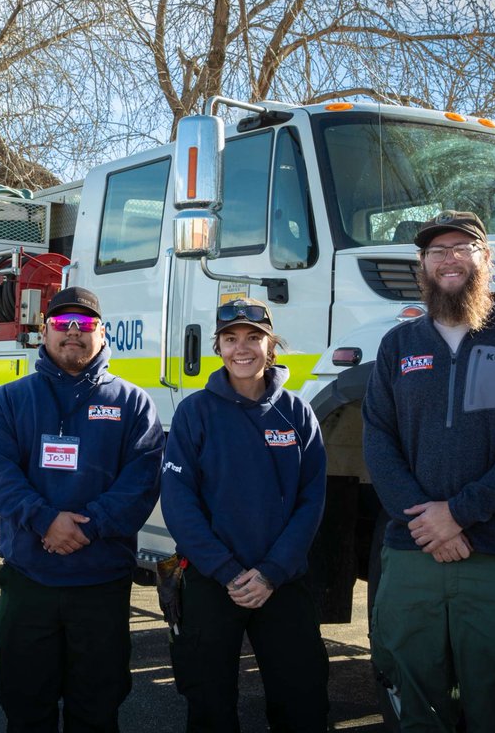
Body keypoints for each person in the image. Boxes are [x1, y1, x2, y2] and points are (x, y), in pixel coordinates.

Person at [362, 210, 495, 732]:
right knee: (414, 699)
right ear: (423, 267)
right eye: (436, 252)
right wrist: (425, 522)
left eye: (461, 248)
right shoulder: (398, 345)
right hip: (413, 555)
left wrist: (459, 513)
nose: (448, 259)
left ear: (485, 259)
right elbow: (378, 441)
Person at [0, 286, 163, 733]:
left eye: (85, 325)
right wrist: (45, 519)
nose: (73, 332)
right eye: (62, 324)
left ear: (102, 334)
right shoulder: (10, 400)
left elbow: (142, 480)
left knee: (97, 708)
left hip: (101, 582)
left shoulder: (133, 404)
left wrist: (90, 526)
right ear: (45, 333)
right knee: (25, 704)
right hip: (29, 580)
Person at [161, 297, 330, 733]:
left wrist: (271, 572)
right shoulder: (193, 413)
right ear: (217, 346)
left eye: (254, 337)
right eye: (231, 338)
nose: (243, 348)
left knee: (303, 701)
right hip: (213, 581)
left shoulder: (297, 415)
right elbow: (179, 503)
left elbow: (311, 502)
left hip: (281, 583)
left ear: (270, 344)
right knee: (209, 704)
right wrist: (228, 571)